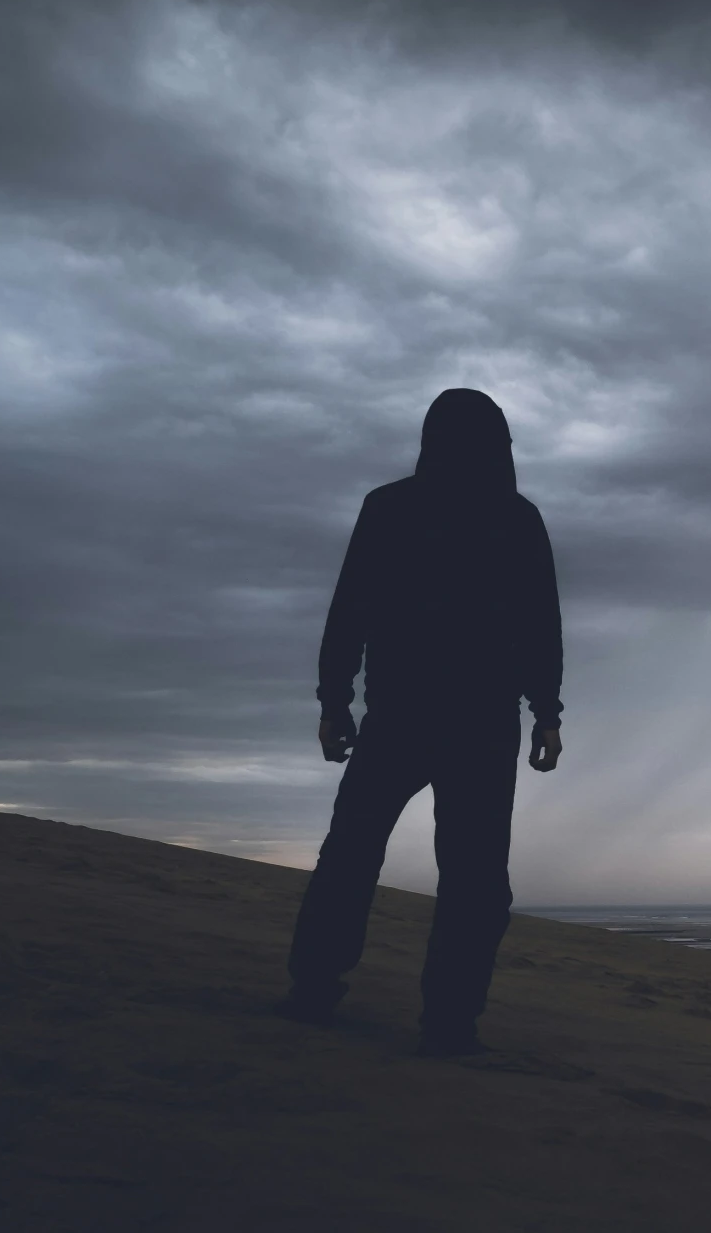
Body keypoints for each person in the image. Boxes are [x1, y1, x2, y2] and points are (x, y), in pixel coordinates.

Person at [276, 388, 564, 1056]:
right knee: (470, 878)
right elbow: (538, 628)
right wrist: (546, 713)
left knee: (353, 856)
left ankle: (316, 989)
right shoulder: (514, 518)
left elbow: (349, 610)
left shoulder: (393, 507)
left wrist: (332, 702)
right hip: (472, 724)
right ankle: (448, 1024)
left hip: (404, 714)